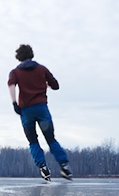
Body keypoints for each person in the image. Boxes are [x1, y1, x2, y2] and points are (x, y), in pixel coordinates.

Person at [7, 44, 72, 181]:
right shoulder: (42, 69)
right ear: (32, 54)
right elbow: (55, 85)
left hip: (26, 111)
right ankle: (64, 166)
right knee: (50, 138)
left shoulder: (16, 72)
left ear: (19, 57)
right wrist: (44, 85)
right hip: (42, 109)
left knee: (33, 141)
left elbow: (11, 85)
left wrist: (14, 103)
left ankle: (43, 167)